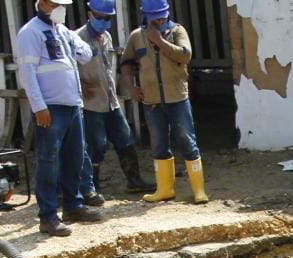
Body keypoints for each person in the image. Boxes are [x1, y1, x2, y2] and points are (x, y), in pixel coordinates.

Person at [15, 0, 104, 236]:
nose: (61, 9)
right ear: (43, 3)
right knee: (48, 160)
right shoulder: (30, 32)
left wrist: (78, 43)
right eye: (57, 4)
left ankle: (73, 206)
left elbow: (84, 56)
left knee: (74, 157)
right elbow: (27, 72)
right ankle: (48, 216)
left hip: (72, 104)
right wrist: (38, 106)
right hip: (51, 107)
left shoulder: (62, 30)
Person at [119, 0, 208, 204]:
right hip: (152, 101)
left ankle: (199, 190)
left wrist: (159, 41)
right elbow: (126, 63)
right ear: (146, 16)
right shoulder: (136, 37)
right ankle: (165, 189)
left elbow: (185, 55)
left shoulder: (177, 31)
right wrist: (131, 87)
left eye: (163, 16)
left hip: (177, 97)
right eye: (156, 17)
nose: (160, 20)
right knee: (159, 144)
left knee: (187, 141)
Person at [74, 0, 155, 201]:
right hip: (91, 103)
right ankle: (92, 187)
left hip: (110, 100)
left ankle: (134, 180)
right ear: (90, 14)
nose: (103, 21)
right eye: (99, 17)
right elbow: (68, 68)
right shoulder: (77, 38)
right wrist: (79, 86)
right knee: (96, 146)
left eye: (107, 18)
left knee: (125, 140)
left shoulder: (107, 37)